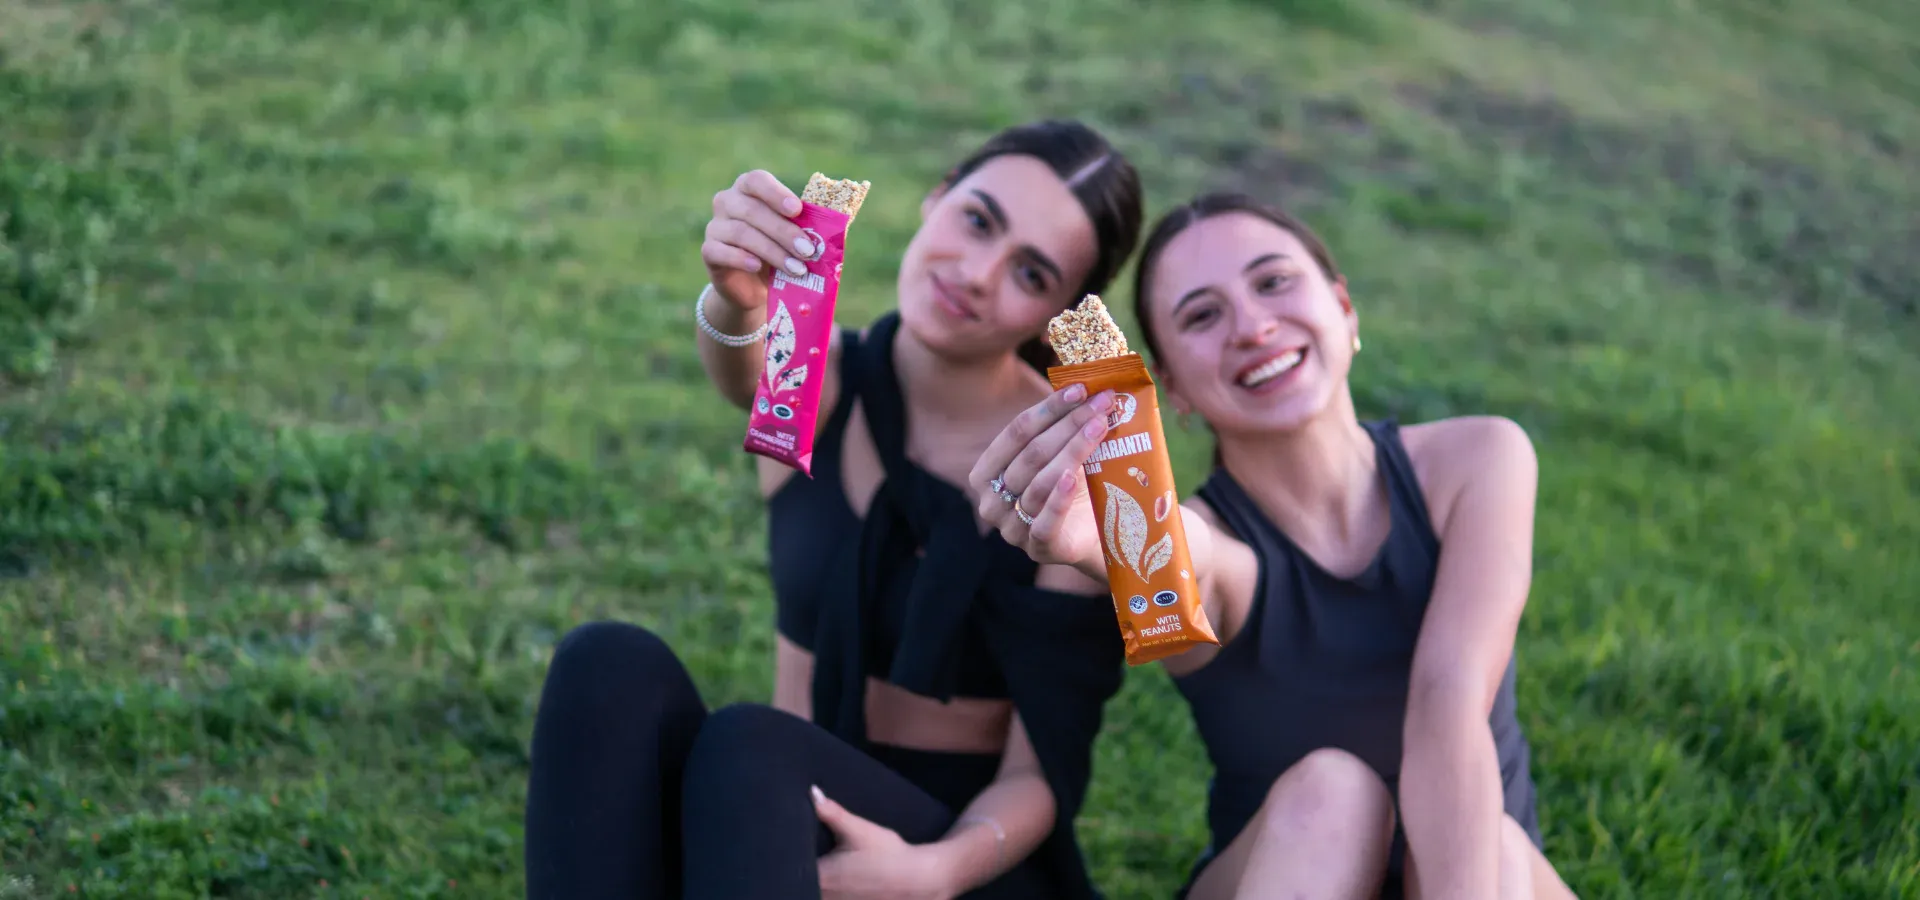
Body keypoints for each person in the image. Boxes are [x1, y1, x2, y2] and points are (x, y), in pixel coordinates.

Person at [522, 120, 1145, 900]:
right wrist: (734, 295)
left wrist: (931, 873)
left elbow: (1043, 771)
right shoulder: (826, 383)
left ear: (1062, 313)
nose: (981, 274)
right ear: (938, 193)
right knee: (606, 664)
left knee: (754, 748)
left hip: (957, 862)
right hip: (772, 815)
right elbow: (747, 367)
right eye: (979, 220)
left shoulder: (1069, 465)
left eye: (1032, 274)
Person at [969, 192, 1578, 900]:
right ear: (1172, 389)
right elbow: (1176, 554)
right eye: (1202, 315)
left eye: (1274, 281)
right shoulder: (1219, 545)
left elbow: (1449, 697)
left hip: (1476, 876)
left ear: (1344, 308)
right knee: (1333, 794)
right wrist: (1094, 538)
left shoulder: (1478, 459)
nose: (1254, 327)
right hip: (1289, 874)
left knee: (1497, 846)